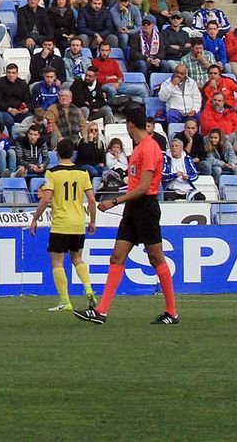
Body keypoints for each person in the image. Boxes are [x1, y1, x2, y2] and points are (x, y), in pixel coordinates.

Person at [73, 107, 177, 326]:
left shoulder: (149, 147)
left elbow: (145, 187)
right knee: (117, 256)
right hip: (134, 207)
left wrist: (114, 201)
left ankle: (171, 312)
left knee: (156, 258)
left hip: (145, 207)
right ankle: (101, 310)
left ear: (130, 125)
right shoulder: (141, 147)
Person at [28, 138, 98, 313]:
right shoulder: (83, 173)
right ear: (72, 153)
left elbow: (46, 198)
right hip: (77, 223)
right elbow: (91, 199)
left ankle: (65, 300)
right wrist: (93, 221)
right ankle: (88, 288)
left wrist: (35, 218)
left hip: (60, 224)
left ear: (57, 153)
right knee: (77, 259)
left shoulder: (52, 173)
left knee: (57, 263)